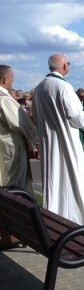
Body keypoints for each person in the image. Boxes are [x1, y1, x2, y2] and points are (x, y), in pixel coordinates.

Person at [33, 54, 84, 225]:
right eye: (68, 63)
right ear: (63, 66)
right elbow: (76, 117)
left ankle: (55, 219)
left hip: (49, 142)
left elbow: (35, 115)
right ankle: (79, 221)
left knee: (55, 180)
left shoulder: (39, 88)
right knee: (74, 180)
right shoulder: (64, 87)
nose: (69, 65)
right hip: (67, 142)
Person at [0, 65, 37, 194]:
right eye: (12, 78)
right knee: (13, 184)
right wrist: (36, 136)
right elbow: (20, 124)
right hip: (10, 149)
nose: (13, 81)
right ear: (5, 80)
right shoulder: (4, 99)